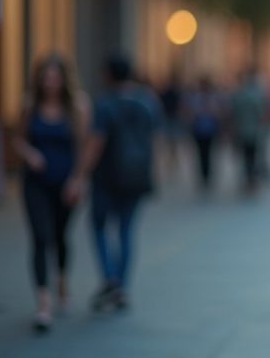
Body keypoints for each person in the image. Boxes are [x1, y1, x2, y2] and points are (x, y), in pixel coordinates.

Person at [65, 53, 161, 312]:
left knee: (98, 226)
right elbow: (155, 139)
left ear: (108, 74)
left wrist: (79, 174)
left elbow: (96, 141)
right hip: (137, 176)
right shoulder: (147, 100)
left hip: (107, 177)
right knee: (127, 230)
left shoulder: (105, 103)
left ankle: (110, 278)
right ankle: (121, 287)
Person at [12, 54, 90, 332]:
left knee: (60, 237)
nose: (50, 83)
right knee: (40, 237)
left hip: (65, 182)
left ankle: (62, 284)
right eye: (46, 77)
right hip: (35, 183)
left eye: (55, 78)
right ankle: (43, 303)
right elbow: (17, 139)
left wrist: (78, 180)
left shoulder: (77, 106)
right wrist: (29, 153)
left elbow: (84, 146)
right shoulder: (30, 105)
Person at [229, 67, 270, 193]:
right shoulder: (255, 95)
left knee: (246, 155)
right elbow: (262, 113)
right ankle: (251, 178)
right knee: (252, 155)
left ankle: (249, 178)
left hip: (243, 130)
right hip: (253, 131)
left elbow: (233, 113)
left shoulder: (239, 95)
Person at [185, 75, 223, 191]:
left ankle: (208, 175)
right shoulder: (195, 97)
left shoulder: (214, 97)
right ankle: (203, 175)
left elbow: (219, 112)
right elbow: (189, 112)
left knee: (209, 153)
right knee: (201, 153)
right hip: (199, 130)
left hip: (210, 129)